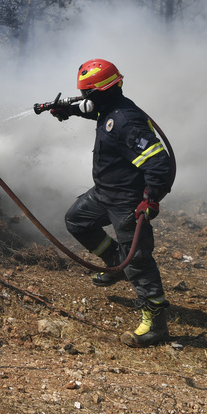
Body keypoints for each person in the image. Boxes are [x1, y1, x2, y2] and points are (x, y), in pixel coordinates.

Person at [47, 59, 176, 347]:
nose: (83, 97)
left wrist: (150, 200)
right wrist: (67, 110)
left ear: (100, 91)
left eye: (86, 93)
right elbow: (93, 110)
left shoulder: (126, 121)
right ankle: (115, 264)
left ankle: (155, 324)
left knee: (138, 261)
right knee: (77, 221)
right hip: (104, 192)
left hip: (127, 201)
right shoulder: (109, 107)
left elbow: (159, 162)